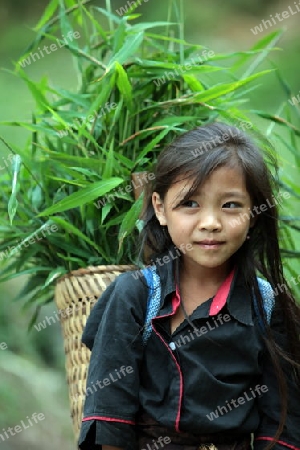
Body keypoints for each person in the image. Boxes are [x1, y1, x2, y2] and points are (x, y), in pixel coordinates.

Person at [78, 122, 300, 450]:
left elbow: (283, 427)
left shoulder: (267, 304)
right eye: (190, 204)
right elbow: (110, 416)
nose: (210, 222)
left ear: (253, 214)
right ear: (160, 208)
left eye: (231, 205)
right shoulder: (135, 296)